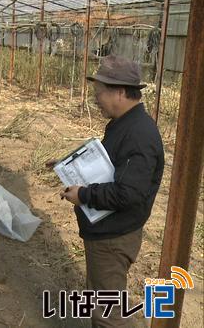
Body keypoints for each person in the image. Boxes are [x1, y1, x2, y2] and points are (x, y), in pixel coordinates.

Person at [56, 55, 164, 327]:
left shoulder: (139, 134)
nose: (95, 99)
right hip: (107, 231)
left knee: (108, 316)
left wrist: (83, 195)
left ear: (118, 92)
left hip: (114, 236)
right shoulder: (125, 124)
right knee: (100, 303)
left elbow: (127, 193)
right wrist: (69, 164)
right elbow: (111, 165)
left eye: (99, 93)